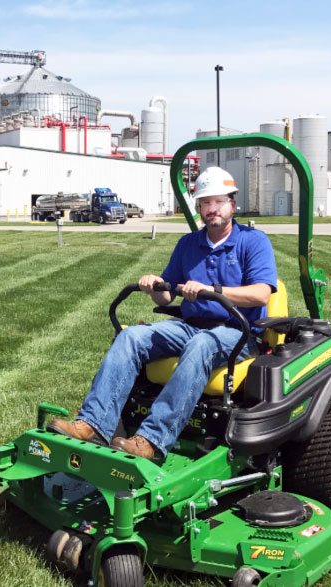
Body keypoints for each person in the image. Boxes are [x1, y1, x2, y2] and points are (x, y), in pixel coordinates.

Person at [49, 167, 278, 460]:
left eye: (219, 201)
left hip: (238, 331)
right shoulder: (188, 244)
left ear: (232, 204)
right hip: (189, 325)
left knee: (202, 344)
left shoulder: (253, 241)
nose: (212, 209)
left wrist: (213, 289)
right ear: (199, 208)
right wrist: (154, 285)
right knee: (131, 335)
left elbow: (260, 293)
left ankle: (152, 440)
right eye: (206, 203)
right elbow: (168, 293)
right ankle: (93, 423)